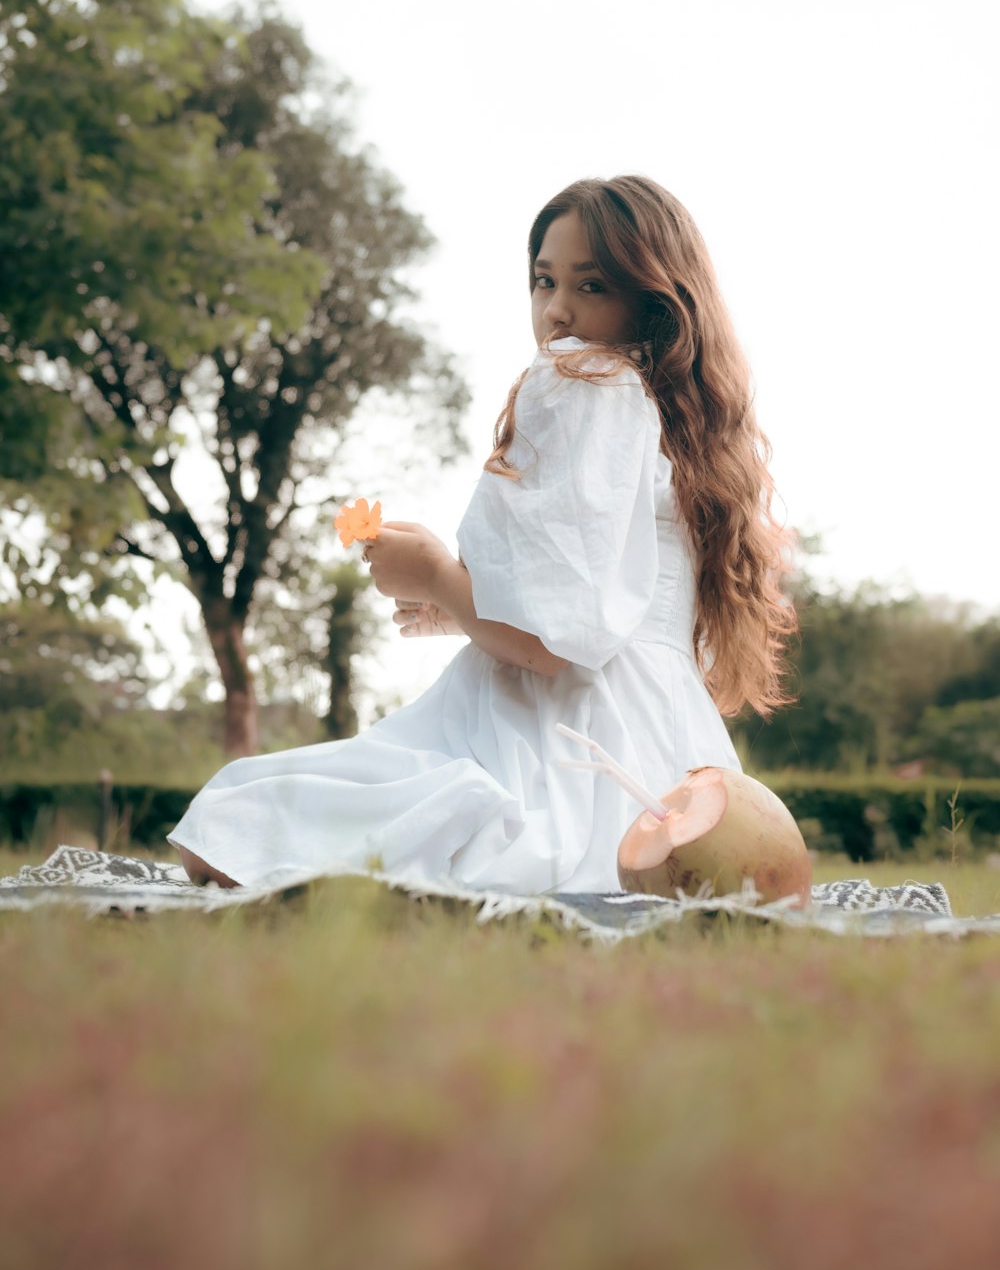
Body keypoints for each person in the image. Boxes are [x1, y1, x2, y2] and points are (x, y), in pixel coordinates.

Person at [167, 174, 799, 896]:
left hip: (553, 742)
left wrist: (436, 573)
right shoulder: (677, 423)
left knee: (231, 819)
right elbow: (599, 608)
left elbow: (551, 648)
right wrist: (461, 609)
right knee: (252, 820)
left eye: (591, 286)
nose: (557, 311)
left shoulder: (585, 381)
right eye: (543, 281)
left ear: (652, 300)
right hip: (664, 751)